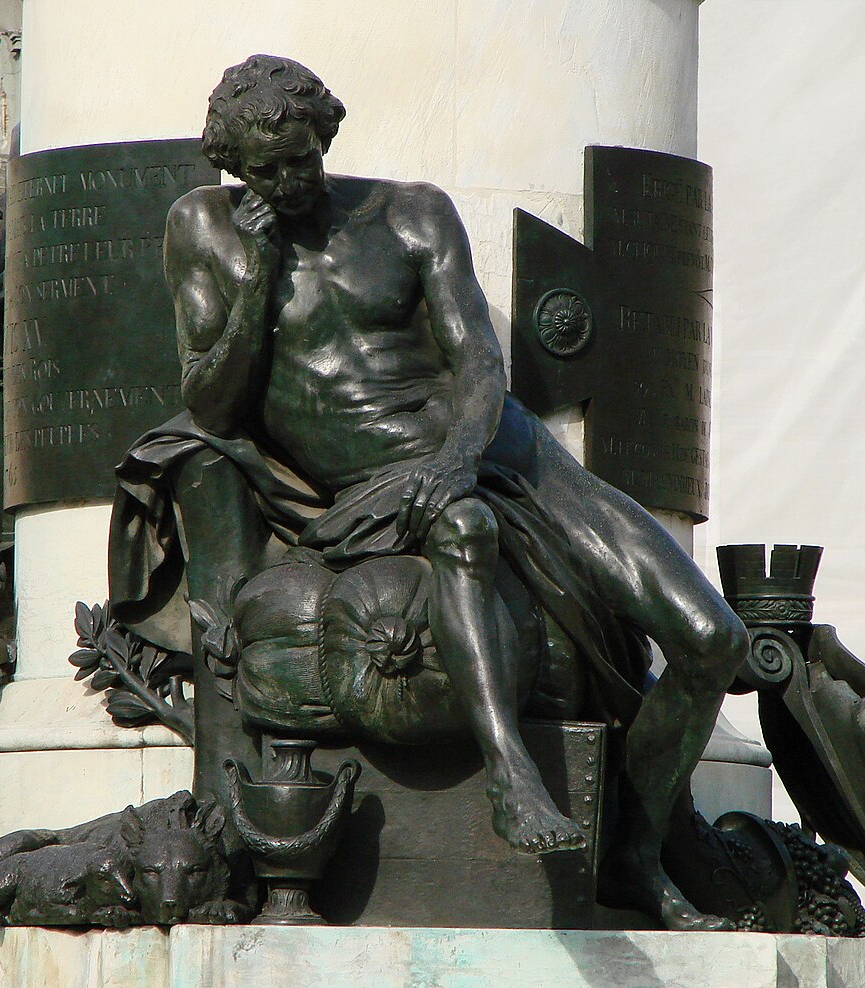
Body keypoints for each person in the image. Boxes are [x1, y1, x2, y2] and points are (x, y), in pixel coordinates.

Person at [108, 54, 748, 930]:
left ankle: (635, 855)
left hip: (503, 451)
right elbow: (213, 401)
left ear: (324, 135)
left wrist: (452, 457)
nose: (289, 183)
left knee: (714, 638)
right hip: (376, 481)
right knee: (463, 531)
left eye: (302, 160)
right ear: (232, 167)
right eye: (264, 171)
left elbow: (479, 359)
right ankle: (511, 776)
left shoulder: (409, 215)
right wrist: (259, 275)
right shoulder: (206, 230)